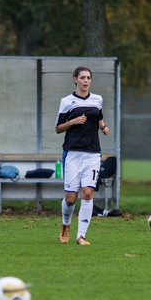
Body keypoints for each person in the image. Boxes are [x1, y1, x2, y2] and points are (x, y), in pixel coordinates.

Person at [55, 66, 110, 245]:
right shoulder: (67, 101)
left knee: (87, 193)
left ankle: (81, 236)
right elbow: (58, 128)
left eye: (88, 78)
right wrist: (73, 121)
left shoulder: (97, 100)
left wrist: (103, 127)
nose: (86, 80)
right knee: (71, 198)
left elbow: (99, 117)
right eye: (83, 77)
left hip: (93, 153)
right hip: (72, 153)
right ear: (75, 80)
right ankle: (65, 224)